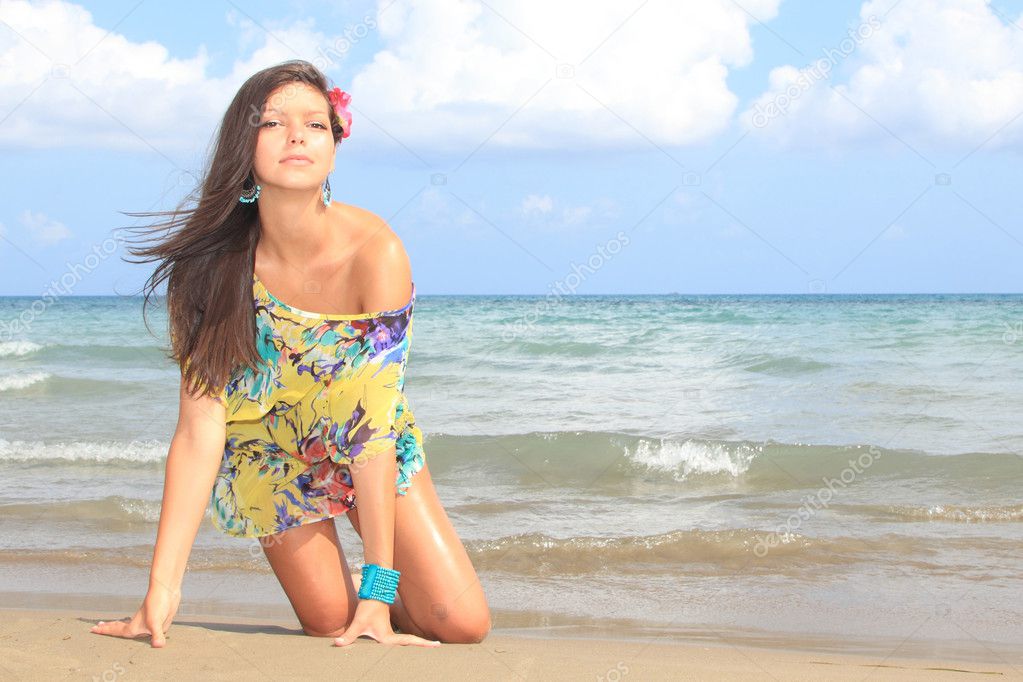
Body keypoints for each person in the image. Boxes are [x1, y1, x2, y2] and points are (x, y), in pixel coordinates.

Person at [89, 60, 491, 648]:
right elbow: (200, 431)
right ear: (242, 148)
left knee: (460, 624)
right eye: (274, 122)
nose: (297, 135)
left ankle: (386, 594)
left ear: (333, 150)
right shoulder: (208, 270)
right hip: (267, 452)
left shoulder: (374, 252)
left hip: (363, 441)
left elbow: (372, 428)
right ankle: (359, 598)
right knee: (328, 622)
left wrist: (380, 596)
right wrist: (161, 591)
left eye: (316, 125)